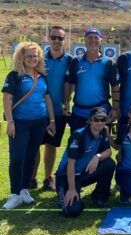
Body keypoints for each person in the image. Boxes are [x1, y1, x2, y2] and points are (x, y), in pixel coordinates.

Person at [2, 42, 56, 209]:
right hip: (20, 123)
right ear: (21, 57)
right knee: (17, 158)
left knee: (31, 157)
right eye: (29, 56)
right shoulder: (14, 75)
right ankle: (14, 194)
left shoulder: (41, 76)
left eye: (35, 55)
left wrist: (52, 121)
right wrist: (10, 122)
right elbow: (6, 99)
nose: (33, 59)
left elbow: (47, 100)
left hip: (39, 123)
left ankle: (25, 190)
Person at [31, 25, 73, 190]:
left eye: (60, 38)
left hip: (58, 111)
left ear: (64, 40)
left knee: (51, 145)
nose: (57, 41)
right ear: (49, 39)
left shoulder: (70, 60)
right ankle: (32, 178)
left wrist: (67, 101)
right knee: (34, 145)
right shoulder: (39, 58)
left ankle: (48, 178)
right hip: (38, 111)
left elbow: (73, 83)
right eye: (54, 37)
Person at [55, 107, 116, 217]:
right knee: (72, 212)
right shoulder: (78, 136)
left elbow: (108, 151)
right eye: (96, 120)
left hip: (82, 174)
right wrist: (72, 189)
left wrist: (98, 156)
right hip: (65, 177)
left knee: (109, 164)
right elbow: (70, 165)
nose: (100, 123)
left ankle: (99, 196)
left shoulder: (102, 133)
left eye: (103, 120)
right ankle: (70, 195)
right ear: (90, 120)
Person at [66, 27, 119, 133]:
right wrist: (66, 102)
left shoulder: (109, 63)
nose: (93, 40)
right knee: (77, 147)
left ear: (101, 41)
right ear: (84, 41)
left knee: (102, 148)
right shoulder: (76, 61)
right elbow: (69, 83)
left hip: (101, 113)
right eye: (89, 37)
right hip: (79, 113)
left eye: (96, 38)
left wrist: (115, 108)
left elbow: (115, 87)